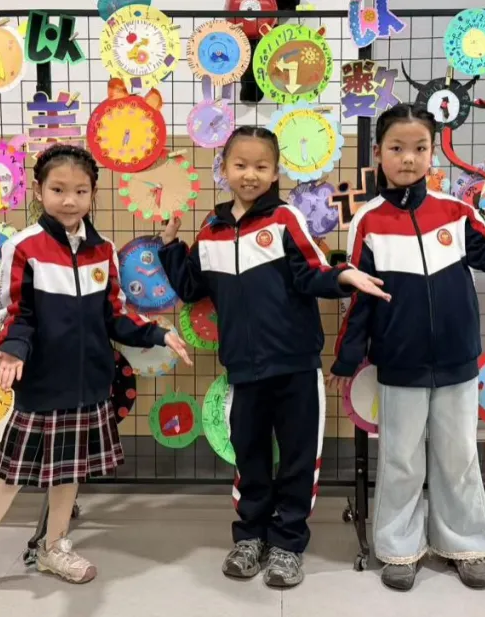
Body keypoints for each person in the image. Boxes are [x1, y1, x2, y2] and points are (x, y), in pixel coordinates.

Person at [0, 145, 192, 606]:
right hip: (42, 384)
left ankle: (53, 547)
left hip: (90, 385)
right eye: (59, 190)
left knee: (69, 472)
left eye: (80, 191)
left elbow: (115, 316)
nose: (70, 200)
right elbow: (16, 313)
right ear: (39, 190)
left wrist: (158, 334)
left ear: (93, 194)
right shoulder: (23, 247)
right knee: (10, 475)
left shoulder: (103, 251)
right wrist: (12, 351)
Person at [329, 104, 485, 592]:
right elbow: (361, 294)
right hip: (399, 361)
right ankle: (398, 548)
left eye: (419, 148)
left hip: (457, 359)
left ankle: (464, 544)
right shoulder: (368, 221)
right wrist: (348, 356)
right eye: (397, 148)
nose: (408, 158)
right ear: (378, 153)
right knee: (401, 458)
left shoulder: (456, 211)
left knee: (458, 455)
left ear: (432, 154)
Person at [159, 126, 390, 589]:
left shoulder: (285, 219)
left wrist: (343, 277)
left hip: (295, 366)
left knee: (299, 459)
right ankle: (250, 537)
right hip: (242, 370)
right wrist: (169, 248)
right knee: (250, 457)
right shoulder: (211, 230)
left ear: (276, 171)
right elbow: (192, 287)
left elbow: (311, 273)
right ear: (223, 169)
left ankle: (287, 544)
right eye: (240, 165)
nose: (250, 174)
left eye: (261, 166)